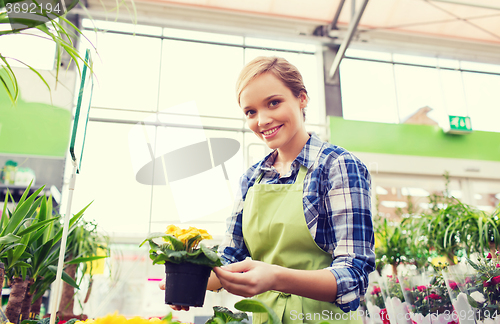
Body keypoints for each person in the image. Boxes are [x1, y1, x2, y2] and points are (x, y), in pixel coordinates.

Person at [161, 56, 375, 324]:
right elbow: (230, 258)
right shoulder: (253, 178)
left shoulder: (338, 166)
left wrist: (275, 277)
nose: (262, 120)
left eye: (274, 102)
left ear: (302, 98)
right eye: (250, 112)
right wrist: (189, 280)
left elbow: (354, 273)